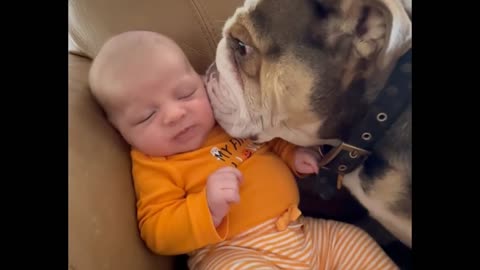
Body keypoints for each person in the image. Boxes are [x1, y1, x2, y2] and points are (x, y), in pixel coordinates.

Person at [89, 30, 398, 269]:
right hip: (233, 254)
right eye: (147, 116)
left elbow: (269, 139)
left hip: (299, 230)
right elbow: (156, 230)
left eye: (185, 94)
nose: (175, 114)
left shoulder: (224, 119)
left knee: (353, 241)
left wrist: (294, 155)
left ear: (201, 80)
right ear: (120, 130)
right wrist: (206, 206)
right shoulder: (154, 166)